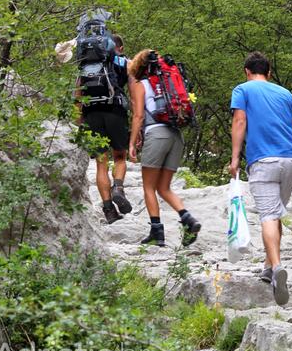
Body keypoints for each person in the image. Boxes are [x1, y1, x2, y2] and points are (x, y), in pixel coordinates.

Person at [229, 51, 292, 306]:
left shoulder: (242, 90)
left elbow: (240, 121)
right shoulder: (285, 93)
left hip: (263, 161)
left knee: (268, 215)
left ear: (246, 71)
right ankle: (267, 266)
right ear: (269, 72)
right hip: (290, 161)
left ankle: (276, 268)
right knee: (276, 213)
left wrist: (234, 159)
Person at [128, 48, 201, 247]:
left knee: (149, 187)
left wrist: (132, 142)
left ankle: (157, 233)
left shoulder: (141, 85)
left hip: (156, 134)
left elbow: (138, 116)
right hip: (175, 136)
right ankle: (188, 220)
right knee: (164, 187)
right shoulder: (168, 84)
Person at [77, 34, 133, 224]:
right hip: (115, 111)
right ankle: (118, 187)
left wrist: (80, 121)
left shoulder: (85, 66)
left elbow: (78, 95)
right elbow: (134, 95)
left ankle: (108, 209)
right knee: (119, 156)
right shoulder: (124, 63)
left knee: (101, 162)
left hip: (91, 114)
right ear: (120, 47)